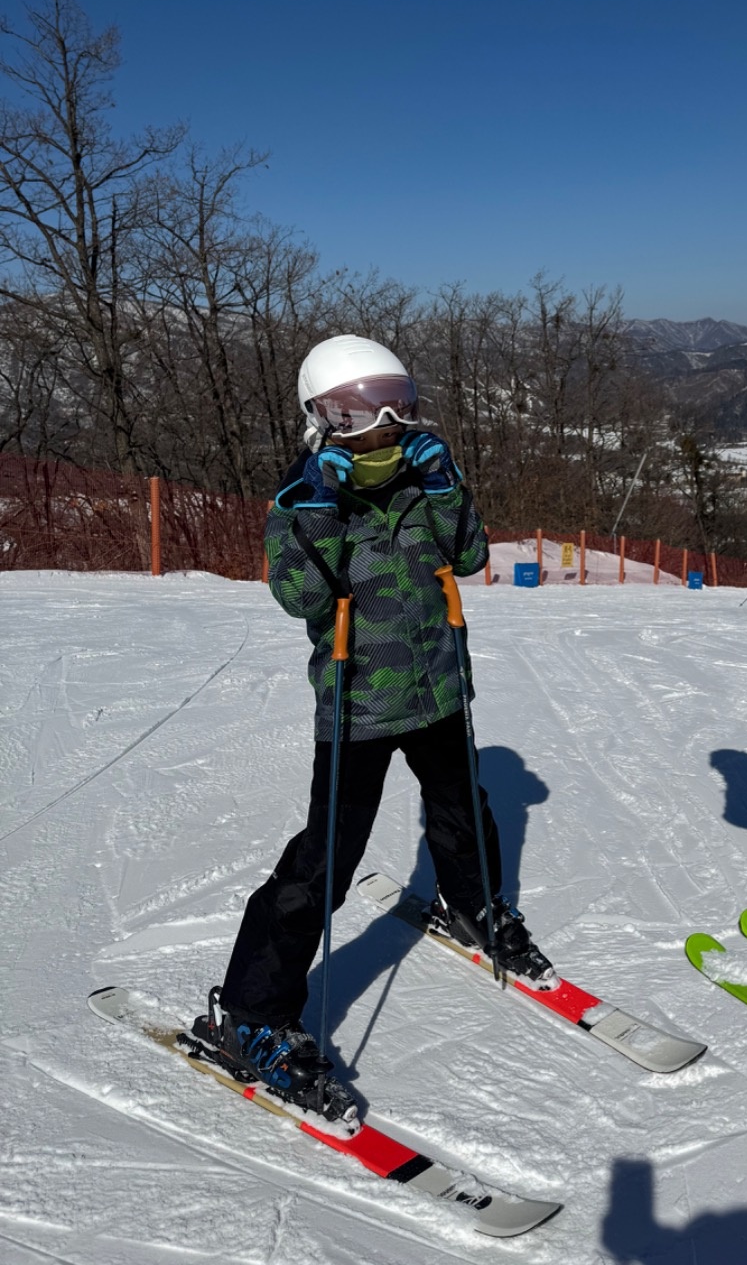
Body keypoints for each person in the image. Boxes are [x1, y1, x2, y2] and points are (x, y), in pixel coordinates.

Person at [188, 334, 555, 1128]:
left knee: (463, 809)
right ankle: (251, 1012)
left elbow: (472, 552)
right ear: (323, 420)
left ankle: (476, 905)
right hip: (358, 705)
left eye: (396, 402)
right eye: (361, 411)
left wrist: (447, 482)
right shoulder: (306, 498)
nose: (384, 424)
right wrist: (316, 509)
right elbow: (302, 597)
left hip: (440, 691)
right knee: (326, 857)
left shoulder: (425, 480)